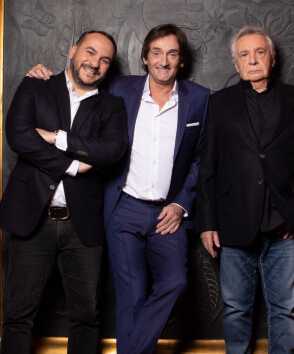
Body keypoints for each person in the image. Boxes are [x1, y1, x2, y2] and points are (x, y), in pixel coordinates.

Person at [28, 23, 209, 354]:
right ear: (144, 59)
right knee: (132, 295)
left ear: (181, 61)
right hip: (123, 208)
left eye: (172, 54)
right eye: (156, 53)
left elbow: (200, 158)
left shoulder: (199, 99)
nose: (164, 61)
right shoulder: (121, 89)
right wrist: (44, 78)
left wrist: (182, 204)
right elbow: (84, 75)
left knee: (175, 282)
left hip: (168, 212)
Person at [0, 31, 128, 354]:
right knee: (18, 316)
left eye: (104, 60)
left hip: (82, 225)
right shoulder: (36, 85)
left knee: (85, 316)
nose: (94, 64)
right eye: (90, 53)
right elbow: (19, 137)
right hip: (32, 218)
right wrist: (73, 165)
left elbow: (110, 151)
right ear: (72, 50)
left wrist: (56, 137)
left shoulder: (112, 105)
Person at [196, 25, 294, 354]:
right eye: (244, 55)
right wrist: (207, 222)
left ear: (272, 57)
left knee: (286, 309)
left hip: (284, 225)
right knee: (236, 308)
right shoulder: (219, 104)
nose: (253, 60)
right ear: (236, 64)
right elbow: (208, 167)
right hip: (233, 224)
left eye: (259, 52)